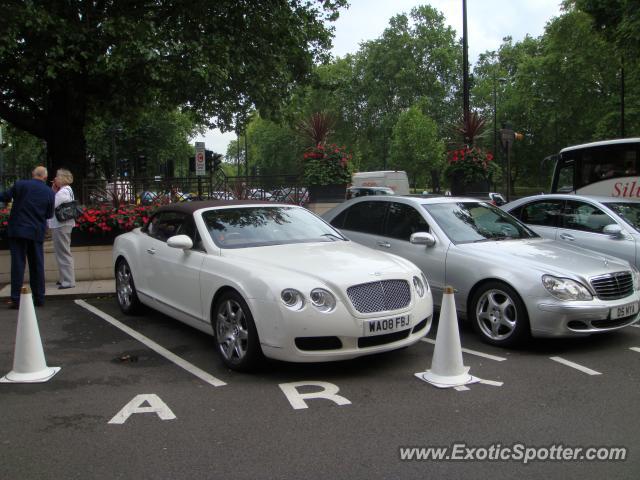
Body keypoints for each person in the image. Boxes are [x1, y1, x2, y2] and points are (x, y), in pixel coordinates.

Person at [0, 166, 55, 308]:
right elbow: (49, 214)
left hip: (18, 230)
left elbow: (5, 196)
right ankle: (39, 298)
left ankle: (16, 299)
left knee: (18, 265)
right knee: (37, 265)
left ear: (32, 174)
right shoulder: (49, 192)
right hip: (36, 232)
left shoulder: (21, 185)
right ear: (44, 177)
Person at [49, 168, 76, 289]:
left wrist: (52, 191)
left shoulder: (63, 192)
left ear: (63, 178)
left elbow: (51, 204)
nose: (55, 179)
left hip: (61, 225)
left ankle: (68, 281)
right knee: (62, 252)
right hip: (63, 225)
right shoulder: (66, 190)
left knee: (63, 253)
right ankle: (64, 278)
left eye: (57, 176)